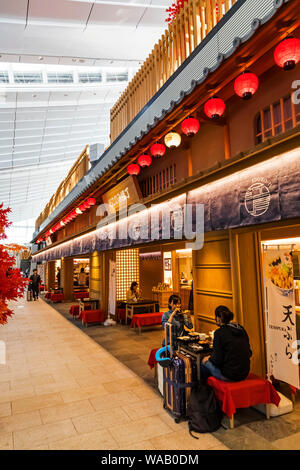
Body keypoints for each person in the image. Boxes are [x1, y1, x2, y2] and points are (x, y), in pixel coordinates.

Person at [201, 305, 252, 382]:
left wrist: (209, 358)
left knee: (203, 362)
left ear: (219, 318)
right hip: (244, 373)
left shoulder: (219, 333)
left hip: (229, 376)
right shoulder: (241, 329)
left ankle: (206, 391)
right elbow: (250, 353)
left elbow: (217, 360)